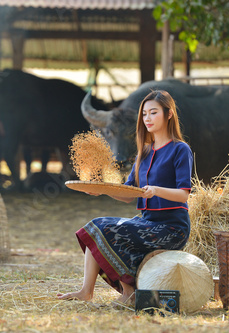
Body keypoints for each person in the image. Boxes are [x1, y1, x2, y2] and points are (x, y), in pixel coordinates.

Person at [57, 90, 193, 306]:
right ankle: (86, 291)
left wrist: (156, 190)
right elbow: (129, 194)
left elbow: (184, 194)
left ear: (169, 114)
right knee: (96, 226)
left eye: (153, 113)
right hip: (146, 222)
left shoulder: (180, 150)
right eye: (145, 114)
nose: (147, 118)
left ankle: (129, 292)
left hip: (171, 227)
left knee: (110, 230)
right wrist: (102, 189)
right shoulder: (143, 153)